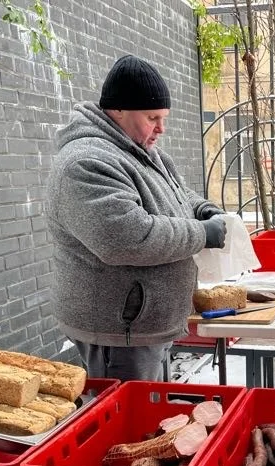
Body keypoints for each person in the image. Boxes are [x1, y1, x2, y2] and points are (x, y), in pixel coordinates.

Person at [46, 54, 227, 382]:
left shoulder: (142, 150)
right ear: (118, 111)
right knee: (129, 424)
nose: (161, 128)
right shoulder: (86, 163)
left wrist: (204, 210)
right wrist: (202, 233)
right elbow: (127, 237)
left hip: (144, 325)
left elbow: (177, 194)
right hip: (117, 332)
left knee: (151, 413)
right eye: (152, 117)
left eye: (163, 117)